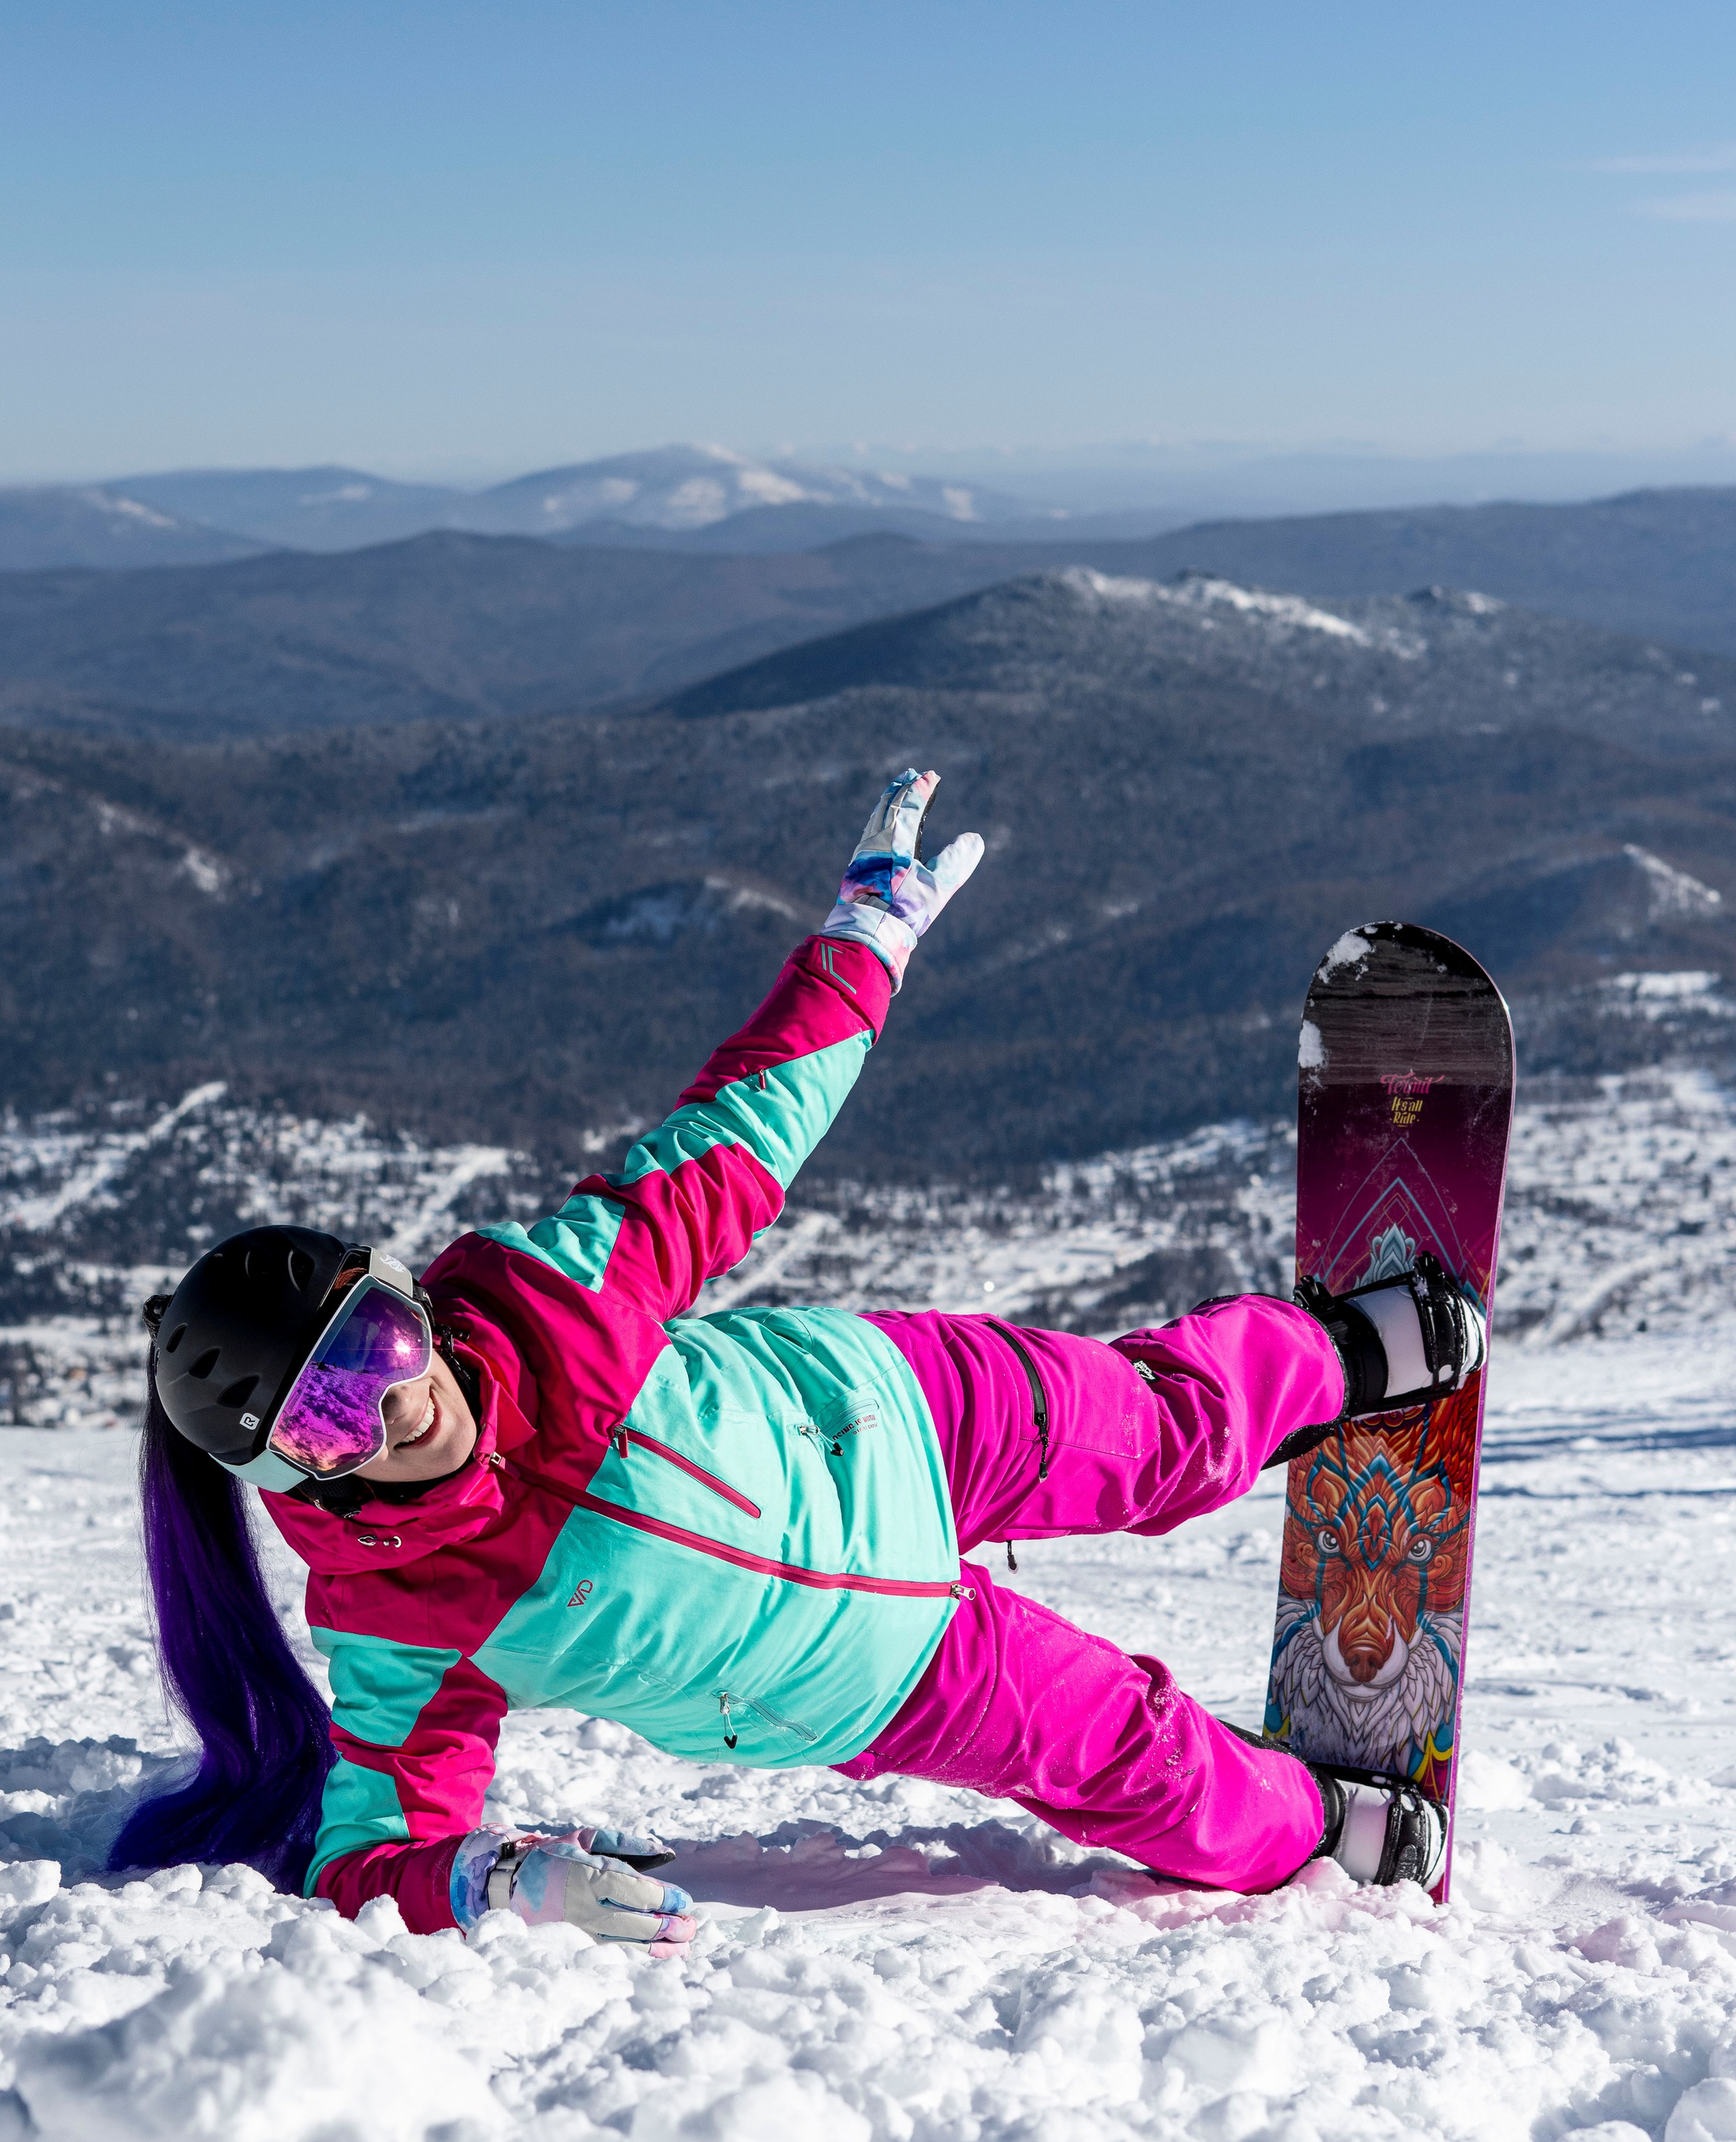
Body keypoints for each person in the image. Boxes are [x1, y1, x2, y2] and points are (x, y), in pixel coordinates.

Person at [115, 771, 1487, 1954]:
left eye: (377, 1340)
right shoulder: (397, 1615)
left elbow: (742, 1126)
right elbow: (364, 1858)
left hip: (886, 1408)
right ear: (287, 1471)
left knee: (1156, 1428)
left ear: (405, 1293)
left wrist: (865, 939)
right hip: (876, 1666)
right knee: (1123, 1753)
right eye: (330, 1419)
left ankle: (1338, 1361)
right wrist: (491, 1880)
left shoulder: (553, 1292)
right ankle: (1316, 1827)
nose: (396, 1399)